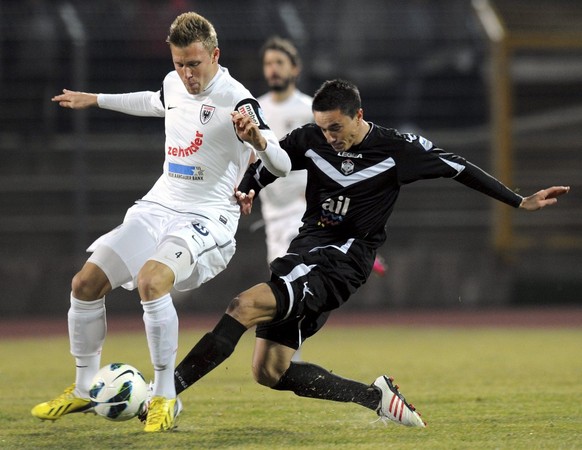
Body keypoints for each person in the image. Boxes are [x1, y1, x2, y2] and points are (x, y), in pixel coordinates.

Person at [170, 79, 570, 428]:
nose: (330, 136)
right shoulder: (312, 138)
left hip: (342, 261)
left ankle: (165, 392)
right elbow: (274, 163)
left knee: (243, 304)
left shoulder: (396, 148)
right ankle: (375, 398)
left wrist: (518, 201)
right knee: (269, 371)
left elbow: (457, 166)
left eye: (337, 128)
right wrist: (249, 186)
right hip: (307, 254)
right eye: (324, 128)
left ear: (359, 114)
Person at [31, 12, 290, 433]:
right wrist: (95, 98)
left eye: (194, 64)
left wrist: (258, 140)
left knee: (152, 281)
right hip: (157, 207)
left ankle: (165, 396)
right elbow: (152, 101)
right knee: (84, 284)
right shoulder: (174, 84)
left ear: (215, 55)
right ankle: (83, 388)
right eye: (179, 64)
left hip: (207, 217)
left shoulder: (238, 100)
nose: (187, 74)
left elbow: (282, 163)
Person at [257, 36, 387, 275]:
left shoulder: (310, 110)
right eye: (268, 63)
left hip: (302, 207)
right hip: (272, 210)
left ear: (295, 68)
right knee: (283, 279)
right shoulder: (256, 109)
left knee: (291, 278)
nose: (273, 69)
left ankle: (349, 242)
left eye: (279, 62)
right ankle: (348, 241)